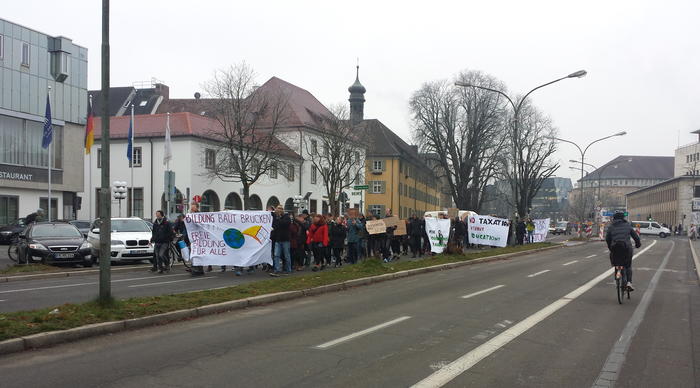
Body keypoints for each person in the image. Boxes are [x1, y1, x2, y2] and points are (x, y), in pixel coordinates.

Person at [606, 211, 641, 291]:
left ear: (614, 218)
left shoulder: (611, 226)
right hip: (626, 248)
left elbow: (607, 238)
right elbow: (635, 236)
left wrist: (610, 247)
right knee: (628, 266)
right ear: (623, 218)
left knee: (616, 263)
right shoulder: (627, 225)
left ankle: (617, 277)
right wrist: (638, 244)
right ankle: (629, 283)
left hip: (615, 248)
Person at [270, 205, 292, 276]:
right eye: (277, 208)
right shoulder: (276, 218)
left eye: (280, 209)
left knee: (286, 255)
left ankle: (288, 270)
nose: (278, 210)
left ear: (283, 210)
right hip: (278, 239)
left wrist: (278, 217)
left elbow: (284, 224)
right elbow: (275, 226)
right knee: (276, 255)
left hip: (285, 239)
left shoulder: (287, 217)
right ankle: (277, 270)